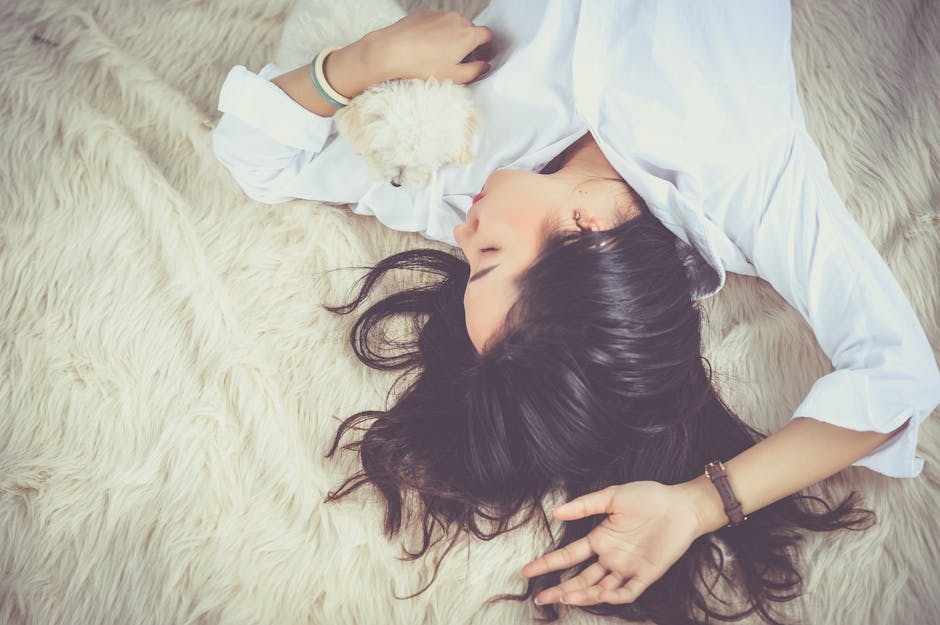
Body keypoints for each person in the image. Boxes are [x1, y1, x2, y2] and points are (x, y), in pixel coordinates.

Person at [211, 2, 940, 623]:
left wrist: (368, 59)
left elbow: (260, 158)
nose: (463, 234)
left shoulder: (464, 180)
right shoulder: (742, 173)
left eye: (469, 265)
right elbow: (898, 374)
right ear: (586, 232)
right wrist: (697, 505)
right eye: (488, 254)